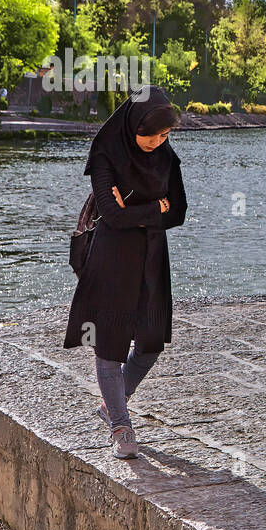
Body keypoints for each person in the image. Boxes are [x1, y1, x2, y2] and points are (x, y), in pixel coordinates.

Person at [63, 86, 187, 458]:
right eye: (150, 134)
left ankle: (111, 404)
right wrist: (155, 209)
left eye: (164, 135)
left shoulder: (165, 156)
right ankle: (120, 425)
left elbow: (178, 211)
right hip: (111, 261)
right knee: (110, 346)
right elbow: (112, 216)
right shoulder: (106, 157)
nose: (156, 142)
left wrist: (142, 211)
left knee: (150, 345)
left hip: (151, 259)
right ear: (133, 123)